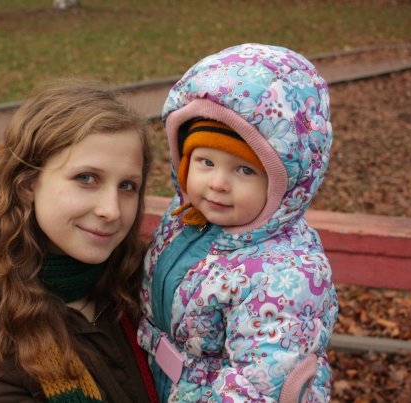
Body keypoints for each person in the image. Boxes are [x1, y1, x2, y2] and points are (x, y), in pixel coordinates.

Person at [0, 81, 159, 403]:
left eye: (127, 186)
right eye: (86, 178)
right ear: (27, 184)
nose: (111, 210)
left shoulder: (149, 290)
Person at [138, 44, 339, 402]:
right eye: (206, 162)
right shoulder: (186, 218)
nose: (218, 183)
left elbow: (259, 388)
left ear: (284, 184)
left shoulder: (286, 276)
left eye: (244, 170)